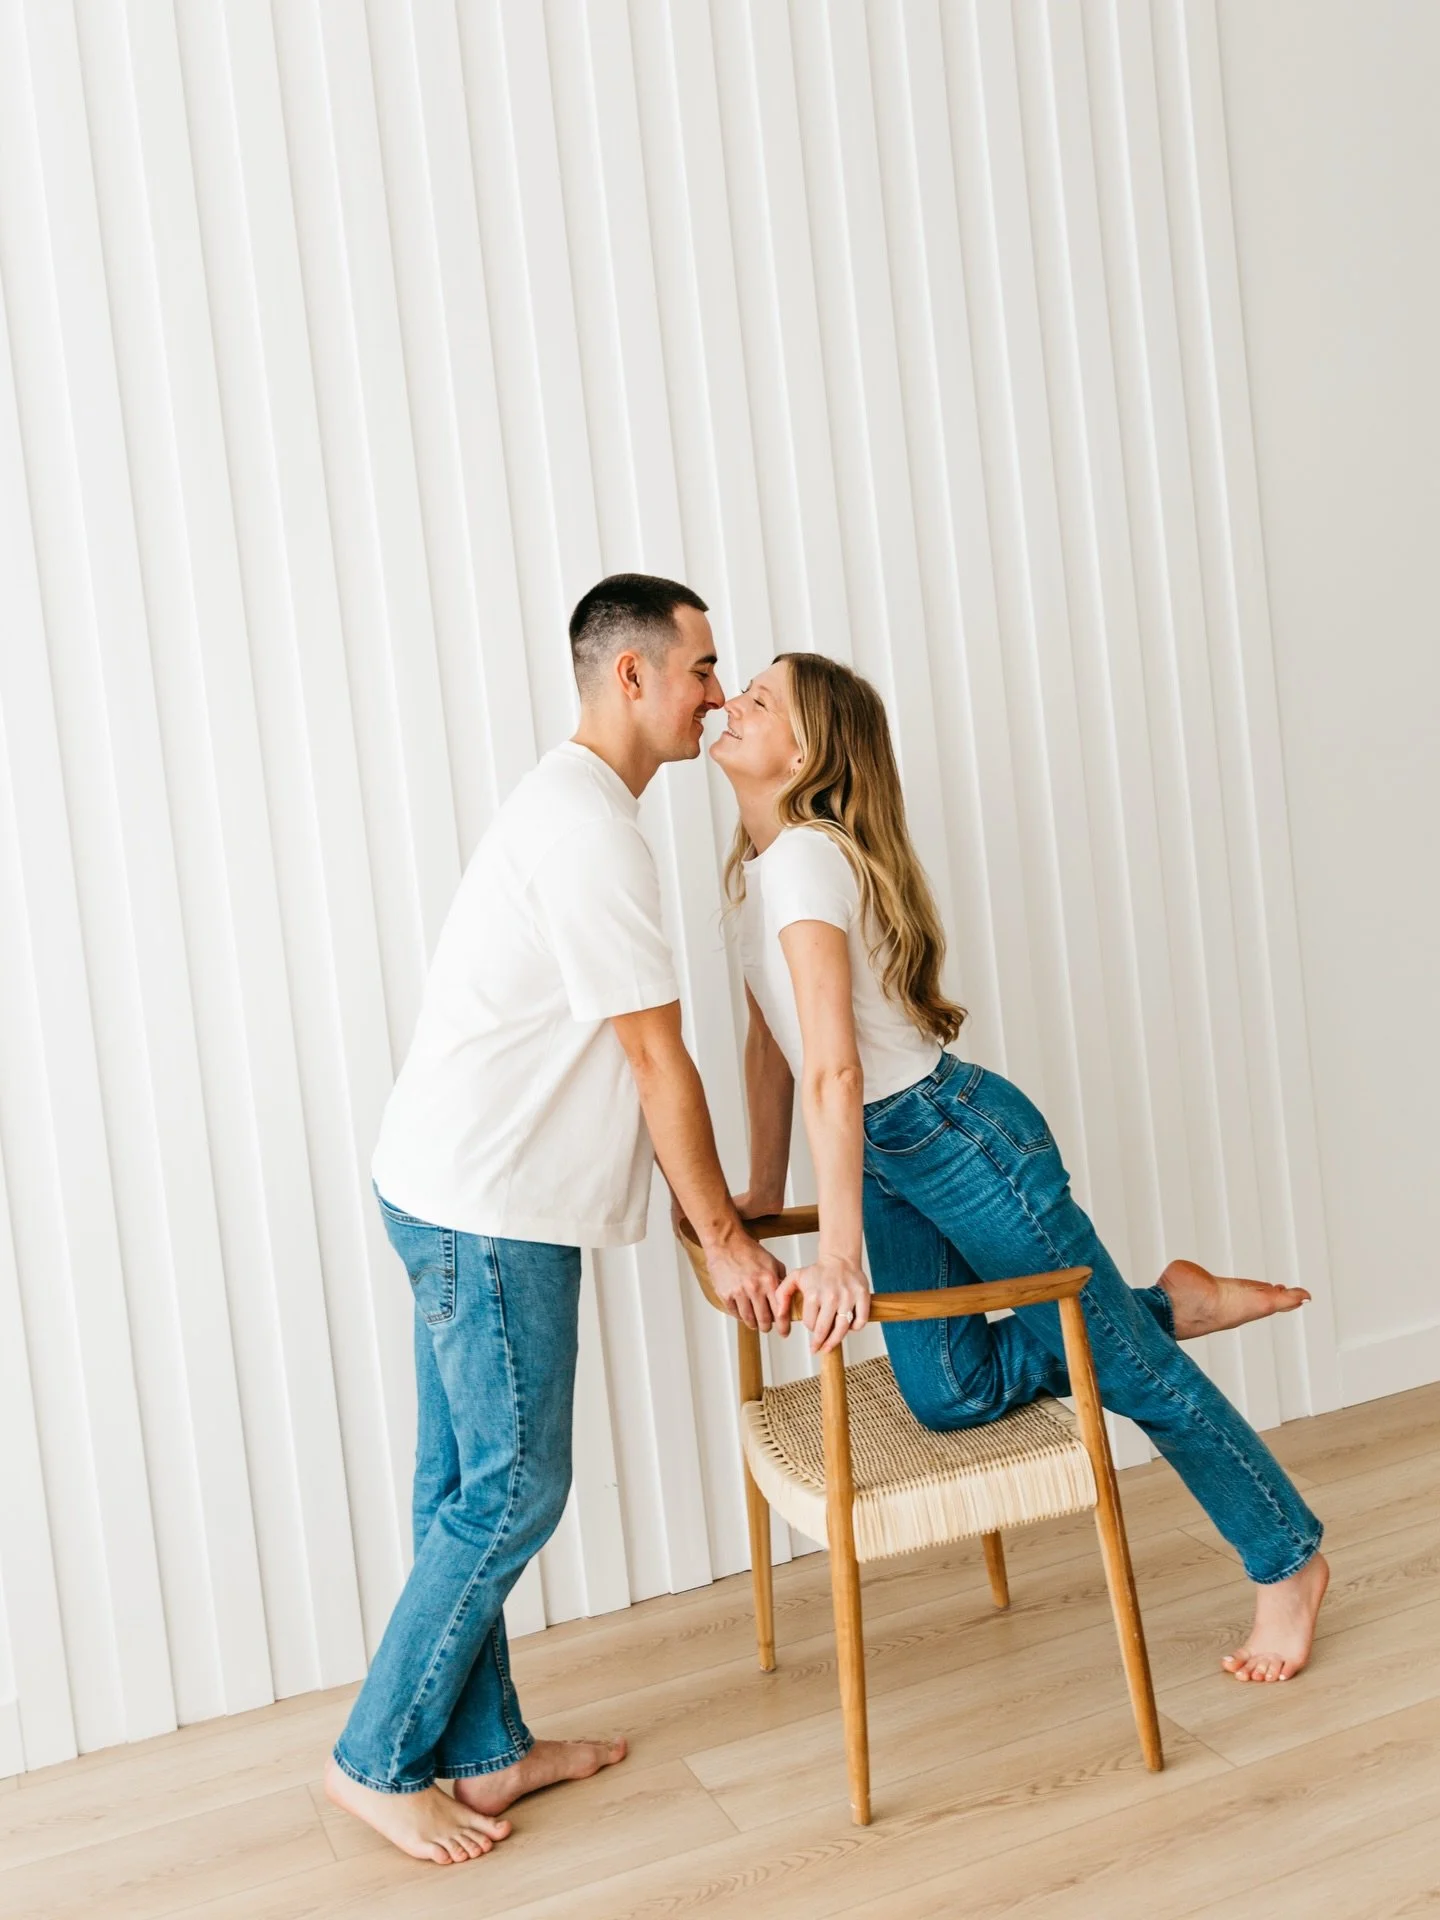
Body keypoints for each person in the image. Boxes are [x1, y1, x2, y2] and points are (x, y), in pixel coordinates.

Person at [709, 649, 1330, 1685]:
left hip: (955, 1140)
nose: (732, 703)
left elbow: (837, 1067)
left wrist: (840, 1256)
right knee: (949, 1395)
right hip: (884, 1153)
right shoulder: (756, 876)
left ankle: (1288, 1558)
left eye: (759, 699)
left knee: (1130, 1376)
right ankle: (1165, 1303)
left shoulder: (809, 859)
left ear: (808, 752)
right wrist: (769, 1189)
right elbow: (773, 1048)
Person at [324, 575, 791, 1865]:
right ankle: (373, 1759)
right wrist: (726, 1239)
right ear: (631, 675)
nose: (718, 692)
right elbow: (656, 1061)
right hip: (483, 1206)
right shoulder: (589, 831)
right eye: (703, 667)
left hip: (445, 1184)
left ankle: (482, 1755)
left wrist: (714, 1224)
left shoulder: (577, 810)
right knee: (515, 1485)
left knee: (462, 1487)